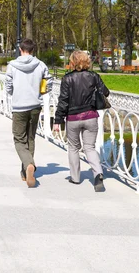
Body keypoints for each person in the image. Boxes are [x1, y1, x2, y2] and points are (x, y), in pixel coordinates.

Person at [53, 50, 108, 192]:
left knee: (73, 148)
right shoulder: (94, 76)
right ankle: (98, 173)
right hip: (90, 116)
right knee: (89, 147)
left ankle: (75, 178)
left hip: (73, 118)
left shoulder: (67, 79)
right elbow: (105, 92)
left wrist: (57, 120)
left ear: (72, 62)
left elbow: (63, 101)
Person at [5, 39, 52, 188]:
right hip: (35, 106)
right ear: (33, 50)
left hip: (19, 106)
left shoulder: (12, 66)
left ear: (20, 49)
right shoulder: (41, 65)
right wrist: (40, 92)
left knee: (19, 139)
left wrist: (14, 93)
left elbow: (8, 85)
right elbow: (48, 83)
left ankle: (29, 165)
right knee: (30, 137)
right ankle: (25, 172)